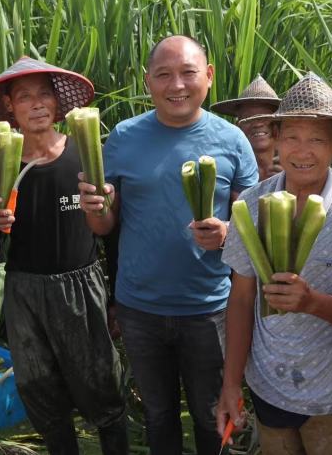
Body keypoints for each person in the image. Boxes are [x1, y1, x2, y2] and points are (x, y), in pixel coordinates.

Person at [80, 35, 259, 455]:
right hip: (140, 307)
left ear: (209, 77)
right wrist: (93, 207)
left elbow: (255, 229)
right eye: (163, 75)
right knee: (158, 416)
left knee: (209, 414)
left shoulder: (233, 141)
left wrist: (228, 235)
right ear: (148, 82)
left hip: (209, 307)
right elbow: (105, 224)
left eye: (188, 73)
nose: (176, 84)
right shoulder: (124, 137)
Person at [217, 73, 332, 455]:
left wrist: (312, 301)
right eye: (291, 136)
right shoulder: (253, 204)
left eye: (316, 139)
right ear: (275, 138)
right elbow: (242, 299)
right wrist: (232, 384)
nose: (302, 151)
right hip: (268, 383)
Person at [0, 56, 128, 455]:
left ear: (58, 104)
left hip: (82, 286)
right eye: (25, 97)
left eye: (45, 95)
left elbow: (112, 235)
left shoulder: (86, 155)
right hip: (25, 293)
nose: (37, 104)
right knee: (40, 390)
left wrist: (115, 299)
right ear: (10, 107)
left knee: (102, 387)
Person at [210, 75, 282, 180]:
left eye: (264, 117)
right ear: (237, 126)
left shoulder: (294, 164)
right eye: (249, 118)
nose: (257, 124)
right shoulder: (227, 168)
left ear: (278, 124)